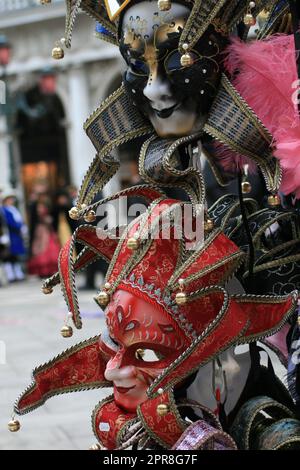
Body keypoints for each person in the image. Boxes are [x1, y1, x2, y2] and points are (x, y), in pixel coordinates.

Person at [10, 0, 300, 450]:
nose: (154, 92)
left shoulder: (275, 167)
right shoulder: (184, 182)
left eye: (174, 61)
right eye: (135, 66)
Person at [2, 191, 26, 282]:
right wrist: (19, 227)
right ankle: (11, 275)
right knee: (9, 255)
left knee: (16, 254)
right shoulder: (4, 209)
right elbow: (9, 222)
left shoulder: (13, 208)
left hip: (16, 234)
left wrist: (22, 226)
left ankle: (18, 273)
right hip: (11, 234)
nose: (11, 200)